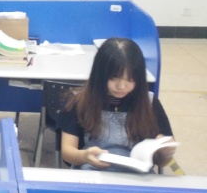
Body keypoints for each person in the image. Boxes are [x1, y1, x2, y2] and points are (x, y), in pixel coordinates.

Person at [59, 37, 176, 172]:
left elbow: (163, 162)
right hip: (93, 171)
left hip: (137, 175)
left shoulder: (149, 103)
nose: (122, 86)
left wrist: (165, 152)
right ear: (100, 75)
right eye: (114, 78)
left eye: (130, 79)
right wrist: (85, 156)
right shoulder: (79, 101)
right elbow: (67, 153)